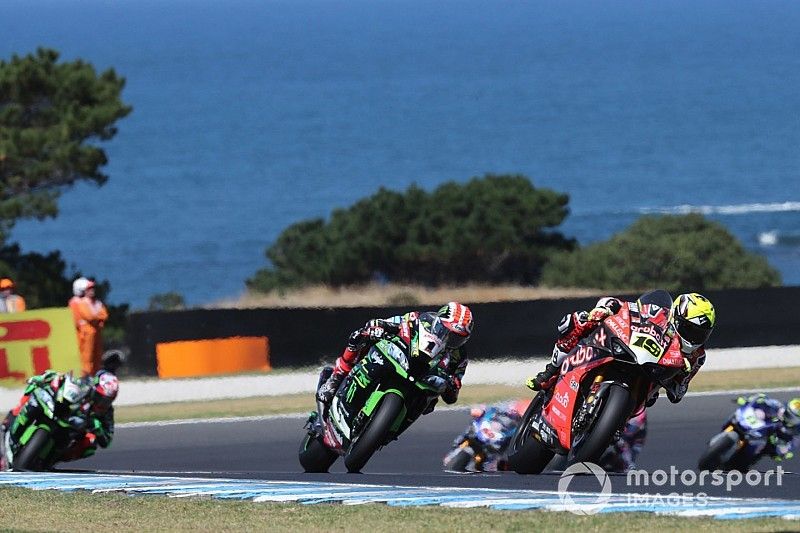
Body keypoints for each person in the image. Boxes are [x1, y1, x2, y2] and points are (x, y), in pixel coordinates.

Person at [526, 291, 716, 404]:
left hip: (648, 381)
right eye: (689, 329)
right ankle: (551, 371)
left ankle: (611, 423)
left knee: (649, 400)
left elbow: (678, 394)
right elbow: (619, 304)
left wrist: (678, 376)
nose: (694, 337)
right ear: (675, 317)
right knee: (576, 321)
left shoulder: (697, 356)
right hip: (629, 350)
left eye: (700, 333)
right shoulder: (658, 313)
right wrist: (603, 310)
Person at [316, 302, 474, 407]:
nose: (449, 339)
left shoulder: (459, 356)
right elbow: (394, 322)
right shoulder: (420, 319)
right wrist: (379, 326)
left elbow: (453, 395)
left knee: (429, 403)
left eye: (457, 338)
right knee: (360, 336)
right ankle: (335, 379)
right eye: (447, 332)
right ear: (438, 323)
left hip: (423, 382)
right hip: (403, 359)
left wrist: (450, 385)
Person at [1, 369, 118, 463]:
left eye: (107, 400)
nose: (102, 402)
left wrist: (96, 427)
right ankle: (10, 421)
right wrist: (47, 378)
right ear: (94, 388)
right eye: (99, 396)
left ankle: (51, 460)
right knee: (34, 393)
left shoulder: (107, 412)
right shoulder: (84, 385)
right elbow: (64, 380)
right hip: (59, 409)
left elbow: (107, 440)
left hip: (73, 429)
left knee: (90, 443)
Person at [737, 394, 800, 463]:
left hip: (768, 438)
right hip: (755, 423)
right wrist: (749, 400)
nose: (788, 417)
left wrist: (783, 452)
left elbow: (791, 444)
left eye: (792, 417)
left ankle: (743, 462)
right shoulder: (777, 406)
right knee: (759, 412)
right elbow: (763, 398)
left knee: (761, 450)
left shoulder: (795, 430)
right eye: (788, 413)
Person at [68, 277, 109, 376]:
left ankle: (96, 376)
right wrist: (97, 318)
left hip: (95, 333)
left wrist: (97, 318)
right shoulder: (78, 302)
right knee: (86, 357)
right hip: (85, 334)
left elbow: (104, 315)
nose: (92, 291)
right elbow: (88, 316)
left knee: (97, 357)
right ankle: (85, 377)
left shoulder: (96, 303)